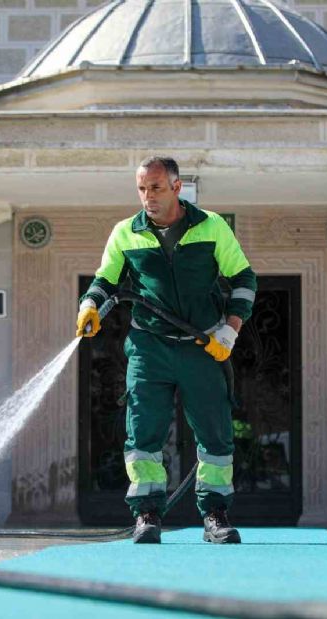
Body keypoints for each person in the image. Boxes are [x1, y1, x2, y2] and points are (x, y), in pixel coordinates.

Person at [76, 156, 257, 544]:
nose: (147, 197)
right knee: (142, 431)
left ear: (177, 187)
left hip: (202, 346)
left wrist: (229, 331)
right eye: (142, 189)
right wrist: (89, 305)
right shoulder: (126, 233)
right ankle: (147, 515)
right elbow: (105, 280)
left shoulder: (211, 227)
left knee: (215, 432)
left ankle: (215, 515)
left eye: (156, 187)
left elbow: (243, 279)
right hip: (148, 348)